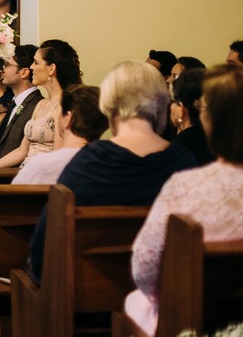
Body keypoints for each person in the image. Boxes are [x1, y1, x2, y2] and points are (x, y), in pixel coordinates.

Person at [28, 61, 197, 279]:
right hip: (165, 296)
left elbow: (45, 242)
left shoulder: (90, 161)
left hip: (82, 299)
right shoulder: (184, 162)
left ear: (110, 104)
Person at [124, 64, 243, 337]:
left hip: (195, 323)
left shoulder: (185, 187)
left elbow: (145, 265)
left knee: (136, 302)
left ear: (209, 120)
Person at [0, 39, 81, 170]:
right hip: (25, 171)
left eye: (36, 63)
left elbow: (59, 156)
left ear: (51, 69)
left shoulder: (65, 106)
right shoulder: (41, 104)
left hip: (44, 176)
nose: (31, 67)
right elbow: (22, 151)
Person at [13, 85, 106, 185]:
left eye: (60, 112)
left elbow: (15, 195)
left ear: (68, 118)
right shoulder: (109, 166)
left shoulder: (41, 166)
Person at [0, 45, 42, 166]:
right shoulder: (11, 103)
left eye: (7, 65)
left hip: (12, 176)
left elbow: (23, 150)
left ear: (24, 72)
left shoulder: (37, 105)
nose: (2, 70)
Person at [168, 68, 214, 166]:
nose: (170, 106)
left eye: (173, 101)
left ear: (181, 109)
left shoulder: (178, 150)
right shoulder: (223, 140)